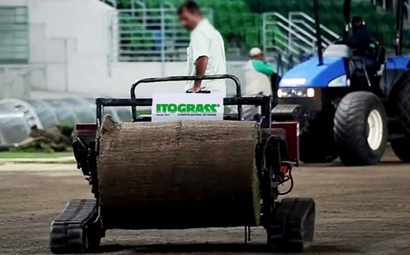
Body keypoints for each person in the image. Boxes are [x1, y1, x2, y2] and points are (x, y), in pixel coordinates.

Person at [177, 0, 227, 96]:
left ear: (195, 14)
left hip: (204, 90)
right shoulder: (212, 32)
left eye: (185, 19)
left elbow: (202, 58)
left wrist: (197, 85)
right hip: (216, 88)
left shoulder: (198, 32)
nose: (183, 23)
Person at [243, 47, 274, 121]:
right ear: (258, 55)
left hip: (251, 91)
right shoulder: (256, 63)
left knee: (251, 112)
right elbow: (270, 70)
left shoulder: (248, 64)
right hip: (259, 92)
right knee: (261, 113)